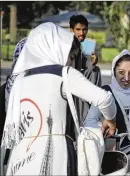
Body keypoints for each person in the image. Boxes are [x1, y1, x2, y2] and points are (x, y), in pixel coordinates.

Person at [1, 22, 117, 175]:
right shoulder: (63, 73)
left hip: (20, 159)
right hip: (56, 156)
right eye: (70, 56)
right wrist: (111, 121)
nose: (70, 61)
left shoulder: (18, 81)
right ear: (56, 48)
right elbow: (104, 99)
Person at [69, 14, 102, 122]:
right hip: (67, 82)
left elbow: (86, 66)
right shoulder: (67, 45)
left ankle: (94, 105)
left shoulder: (81, 46)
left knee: (95, 70)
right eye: (78, 29)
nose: (82, 33)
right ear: (71, 30)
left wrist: (93, 61)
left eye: (84, 30)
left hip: (77, 80)